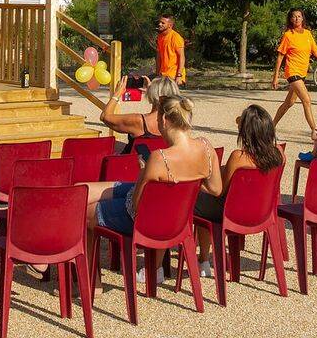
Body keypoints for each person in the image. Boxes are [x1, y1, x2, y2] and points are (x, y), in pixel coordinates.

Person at [84, 94, 222, 286]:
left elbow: (136, 206)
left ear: (164, 120)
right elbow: (216, 189)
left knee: (86, 212)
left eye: (158, 120)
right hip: (176, 219)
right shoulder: (206, 148)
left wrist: (143, 172)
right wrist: (188, 184)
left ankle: (91, 283)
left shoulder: (160, 158)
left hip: (147, 220)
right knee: (84, 191)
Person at [193, 104, 283, 279]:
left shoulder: (238, 157)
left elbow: (219, 191)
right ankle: (202, 259)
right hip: (261, 212)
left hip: (231, 213)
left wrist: (200, 182)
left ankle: (203, 260)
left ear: (246, 132)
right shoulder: (279, 154)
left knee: (200, 202)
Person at [271, 8, 317, 135]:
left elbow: (316, 53)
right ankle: (315, 131)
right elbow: (280, 57)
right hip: (292, 72)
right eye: (294, 16)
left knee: (288, 103)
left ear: (302, 18)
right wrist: (275, 77)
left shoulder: (308, 34)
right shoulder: (288, 35)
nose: (296, 19)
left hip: (301, 74)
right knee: (306, 100)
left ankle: (271, 126)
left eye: (299, 16)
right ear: (290, 19)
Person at [101, 73, 181, 152]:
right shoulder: (179, 121)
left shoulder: (139, 121)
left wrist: (117, 93)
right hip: (164, 162)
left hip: (137, 162)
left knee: (110, 145)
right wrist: (151, 91)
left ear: (152, 94)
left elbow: (105, 116)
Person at [154, 15, 186, 84]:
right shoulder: (160, 37)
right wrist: (157, 73)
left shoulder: (176, 37)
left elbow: (181, 57)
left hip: (174, 76)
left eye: (163, 23)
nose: (159, 24)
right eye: (159, 22)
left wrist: (179, 75)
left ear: (170, 25)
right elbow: (159, 56)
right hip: (163, 75)